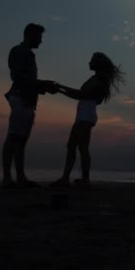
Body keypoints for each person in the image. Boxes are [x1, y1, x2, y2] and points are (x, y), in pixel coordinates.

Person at [50, 52, 124, 188]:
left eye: (91, 60)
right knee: (73, 146)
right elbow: (81, 96)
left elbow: (81, 94)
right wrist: (61, 90)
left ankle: (81, 179)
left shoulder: (98, 79)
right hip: (84, 114)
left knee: (81, 147)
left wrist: (61, 87)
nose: (89, 63)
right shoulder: (97, 79)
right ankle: (70, 178)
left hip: (86, 115)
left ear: (98, 63)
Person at [2, 23, 58, 188]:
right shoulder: (19, 52)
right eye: (39, 38)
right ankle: (7, 179)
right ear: (30, 35)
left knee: (20, 140)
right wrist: (43, 85)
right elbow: (18, 77)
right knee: (13, 138)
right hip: (20, 99)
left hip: (27, 101)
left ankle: (20, 178)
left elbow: (27, 80)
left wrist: (43, 87)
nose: (41, 41)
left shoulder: (27, 53)